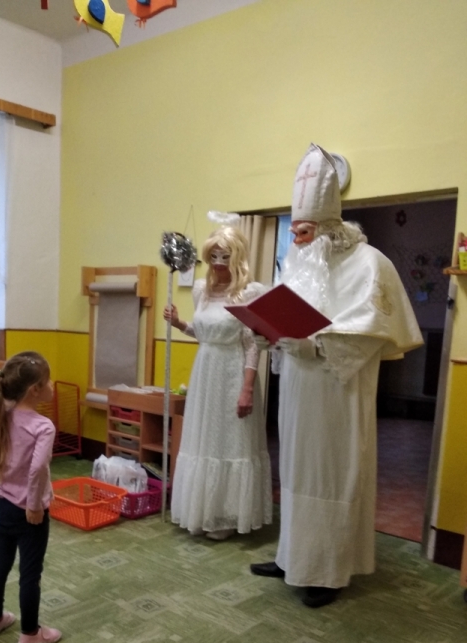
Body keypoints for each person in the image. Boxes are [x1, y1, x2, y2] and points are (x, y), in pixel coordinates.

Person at [251, 143, 423, 607]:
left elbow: (371, 330)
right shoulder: (301, 265)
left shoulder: (371, 264)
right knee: (296, 472)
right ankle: (293, 556)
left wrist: (314, 343)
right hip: (298, 390)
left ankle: (326, 572)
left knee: (329, 475)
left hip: (337, 393)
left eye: (305, 232)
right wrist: (269, 332)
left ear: (330, 228)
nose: (297, 241)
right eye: (295, 232)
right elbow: (286, 314)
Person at [163, 224, 272, 540]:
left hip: (233, 372)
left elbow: (252, 344)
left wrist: (247, 388)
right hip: (206, 372)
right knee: (204, 440)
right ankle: (203, 511)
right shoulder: (202, 290)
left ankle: (227, 515)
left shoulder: (249, 293)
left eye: (225, 256)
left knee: (230, 441)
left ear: (237, 257)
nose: (219, 263)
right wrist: (179, 323)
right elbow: (204, 334)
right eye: (214, 256)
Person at [0, 351, 62, 643]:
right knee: (30, 573)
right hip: (30, 514)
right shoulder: (43, 426)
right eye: (48, 381)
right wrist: (34, 505)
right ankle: (30, 634)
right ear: (35, 390)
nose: (52, 385)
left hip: (3, 507)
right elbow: (37, 469)